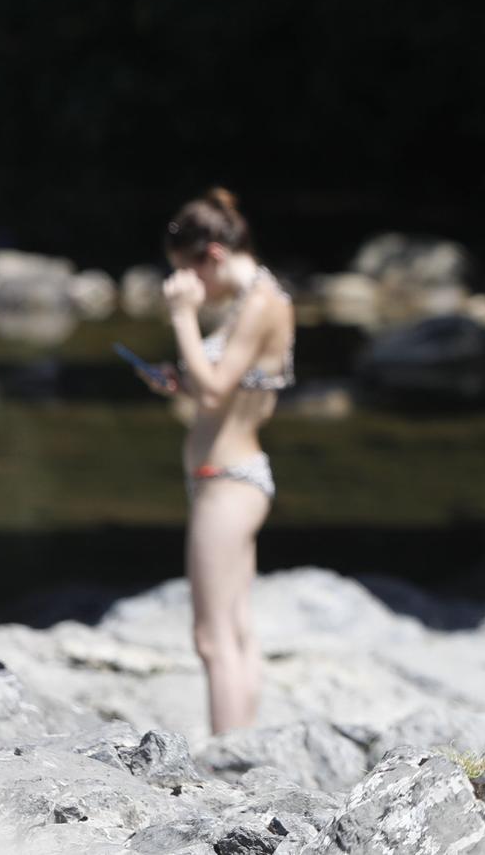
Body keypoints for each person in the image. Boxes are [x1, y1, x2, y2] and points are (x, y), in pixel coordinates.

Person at [148, 187, 295, 735]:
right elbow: (220, 390)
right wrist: (176, 381)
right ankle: (244, 750)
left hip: (228, 483)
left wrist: (182, 317)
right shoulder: (253, 301)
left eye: (188, 276)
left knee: (211, 639)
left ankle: (227, 767)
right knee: (234, 629)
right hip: (228, 479)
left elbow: (212, 395)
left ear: (210, 256)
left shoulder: (259, 304)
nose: (190, 290)